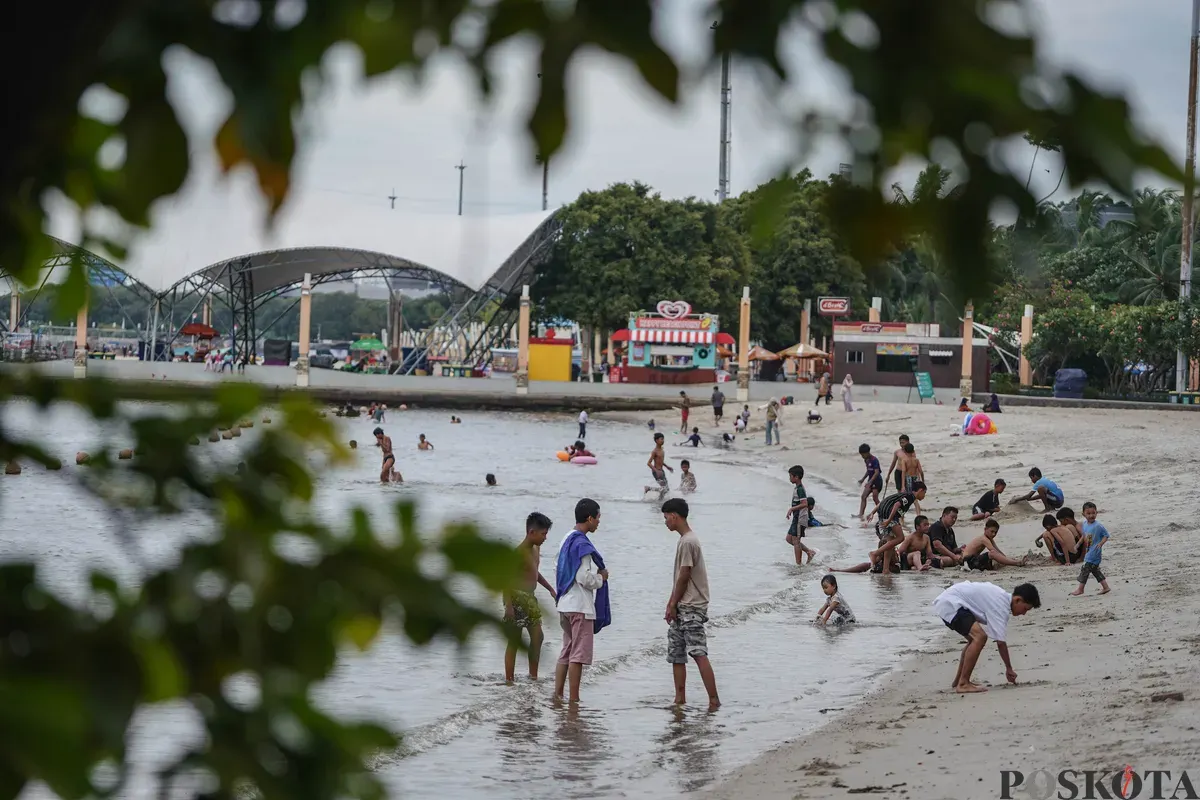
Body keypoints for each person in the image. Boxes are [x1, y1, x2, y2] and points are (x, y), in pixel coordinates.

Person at [661, 498, 720, 709]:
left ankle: (714, 700)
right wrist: (671, 604)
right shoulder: (686, 540)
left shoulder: (688, 541)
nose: (665, 522)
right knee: (676, 653)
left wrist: (674, 603)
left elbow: (685, 575)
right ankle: (679, 699)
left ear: (675, 516)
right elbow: (679, 577)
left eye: (666, 517)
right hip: (682, 605)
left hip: (691, 606)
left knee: (698, 652)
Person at [932, 581, 1041, 693]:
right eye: (1025, 609)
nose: (1024, 613)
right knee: (980, 637)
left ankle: (958, 681)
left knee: (973, 640)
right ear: (1017, 600)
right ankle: (963, 683)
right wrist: (1009, 668)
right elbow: (1001, 642)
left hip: (950, 602)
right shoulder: (1000, 606)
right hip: (951, 604)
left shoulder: (1001, 598)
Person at [553, 499, 610, 704]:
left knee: (566, 651)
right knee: (577, 655)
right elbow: (584, 578)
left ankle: (558, 694)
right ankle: (574, 700)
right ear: (589, 518)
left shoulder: (566, 539)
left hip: (565, 603)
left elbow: (557, 568)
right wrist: (601, 578)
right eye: (598, 518)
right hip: (580, 606)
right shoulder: (582, 544)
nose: (598, 522)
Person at [504, 512, 557, 683]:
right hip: (516, 597)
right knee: (515, 640)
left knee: (538, 637)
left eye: (546, 534)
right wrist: (509, 607)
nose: (545, 538)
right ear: (531, 532)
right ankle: (509, 680)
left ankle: (533, 677)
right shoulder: (518, 552)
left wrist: (549, 588)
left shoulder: (536, 549)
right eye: (543, 534)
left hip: (530, 597)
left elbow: (534, 572)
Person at [865, 481, 927, 574]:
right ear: (920, 490)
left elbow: (884, 501)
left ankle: (885, 570)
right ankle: (875, 553)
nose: (924, 496)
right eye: (924, 493)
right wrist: (889, 520)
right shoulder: (910, 497)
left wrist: (872, 513)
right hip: (889, 515)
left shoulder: (905, 494)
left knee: (890, 543)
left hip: (883, 513)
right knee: (900, 538)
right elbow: (897, 505)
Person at [1071, 501, 1112, 596]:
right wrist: (1077, 545)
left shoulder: (1098, 526)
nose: (1091, 515)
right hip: (1089, 551)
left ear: (1096, 513)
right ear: (1083, 514)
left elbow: (1106, 535)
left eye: (1093, 513)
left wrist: (1101, 544)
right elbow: (1084, 536)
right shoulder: (1085, 524)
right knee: (1094, 570)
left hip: (1095, 552)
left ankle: (1080, 589)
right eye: (1088, 513)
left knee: (1085, 568)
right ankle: (1105, 587)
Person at [961, 519, 1025, 570]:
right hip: (968, 562)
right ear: (985, 529)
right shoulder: (983, 539)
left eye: (995, 532)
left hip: (974, 560)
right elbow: (994, 552)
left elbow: (998, 550)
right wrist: (1011, 561)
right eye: (992, 531)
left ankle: (1012, 562)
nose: (994, 534)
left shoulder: (989, 539)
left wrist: (1006, 558)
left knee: (996, 557)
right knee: (992, 553)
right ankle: (1016, 563)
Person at [785, 465, 819, 565]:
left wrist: (792, 509)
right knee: (789, 539)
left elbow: (805, 504)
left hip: (800, 518)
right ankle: (809, 552)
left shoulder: (800, 489)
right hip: (796, 517)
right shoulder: (797, 488)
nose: (789, 478)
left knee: (796, 541)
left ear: (796, 477)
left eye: (791, 476)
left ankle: (798, 565)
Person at [856, 443, 883, 518]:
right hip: (870, 480)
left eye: (863, 455)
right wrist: (862, 479)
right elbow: (868, 471)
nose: (862, 456)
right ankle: (861, 514)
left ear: (868, 452)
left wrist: (870, 482)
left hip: (877, 481)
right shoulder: (866, 460)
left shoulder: (874, 460)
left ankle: (882, 513)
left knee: (875, 498)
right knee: (863, 496)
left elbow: (877, 472)